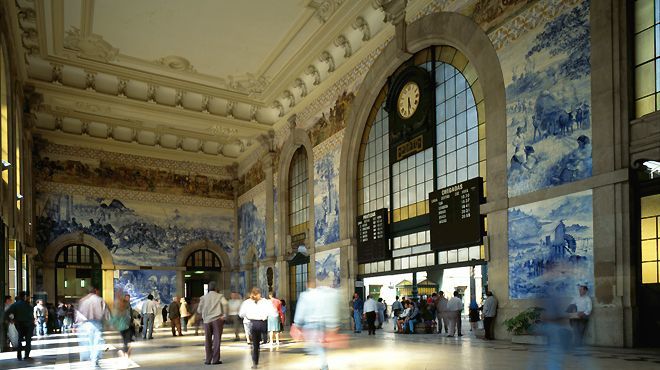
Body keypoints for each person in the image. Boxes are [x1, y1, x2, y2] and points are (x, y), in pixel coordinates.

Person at [293, 285, 341, 370]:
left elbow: (301, 310)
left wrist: (297, 324)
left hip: (311, 324)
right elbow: (328, 310)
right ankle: (323, 364)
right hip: (321, 324)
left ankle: (323, 366)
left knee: (315, 347)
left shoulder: (305, 296)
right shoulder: (323, 295)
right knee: (320, 347)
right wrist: (332, 325)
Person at [239, 287, 276, 369]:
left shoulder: (247, 302)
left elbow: (241, 314)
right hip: (262, 323)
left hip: (253, 323)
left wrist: (248, 315)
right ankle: (264, 340)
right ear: (260, 294)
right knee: (261, 338)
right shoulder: (266, 302)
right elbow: (273, 313)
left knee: (255, 345)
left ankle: (255, 362)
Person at [198, 281, 228, 365]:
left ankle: (208, 360)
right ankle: (215, 360)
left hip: (207, 320)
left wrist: (204, 313)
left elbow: (199, 310)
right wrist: (224, 315)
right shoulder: (219, 296)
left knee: (207, 340)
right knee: (217, 340)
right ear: (216, 288)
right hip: (217, 319)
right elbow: (225, 304)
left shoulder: (203, 298)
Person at [77, 286, 108, 367]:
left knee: (90, 342)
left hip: (87, 324)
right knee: (97, 342)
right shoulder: (100, 299)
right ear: (95, 291)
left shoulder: (83, 300)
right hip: (98, 323)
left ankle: (92, 357)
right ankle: (94, 359)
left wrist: (77, 324)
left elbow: (79, 314)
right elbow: (106, 312)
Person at [4, 291, 34, 360]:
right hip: (28, 324)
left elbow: (7, 313)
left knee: (19, 339)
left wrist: (11, 320)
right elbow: (31, 315)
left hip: (19, 324)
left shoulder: (15, 305)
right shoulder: (28, 305)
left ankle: (19, 355)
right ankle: (26, 355)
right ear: (25, 297)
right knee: (28, 340)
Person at [111, 293, 133, 357]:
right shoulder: (124, 310)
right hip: (125, 327)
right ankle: (126, 351)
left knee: (125, 340)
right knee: (126, 340)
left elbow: (114, 318)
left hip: (124, 327)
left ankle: (125, 351)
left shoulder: (123, 309)